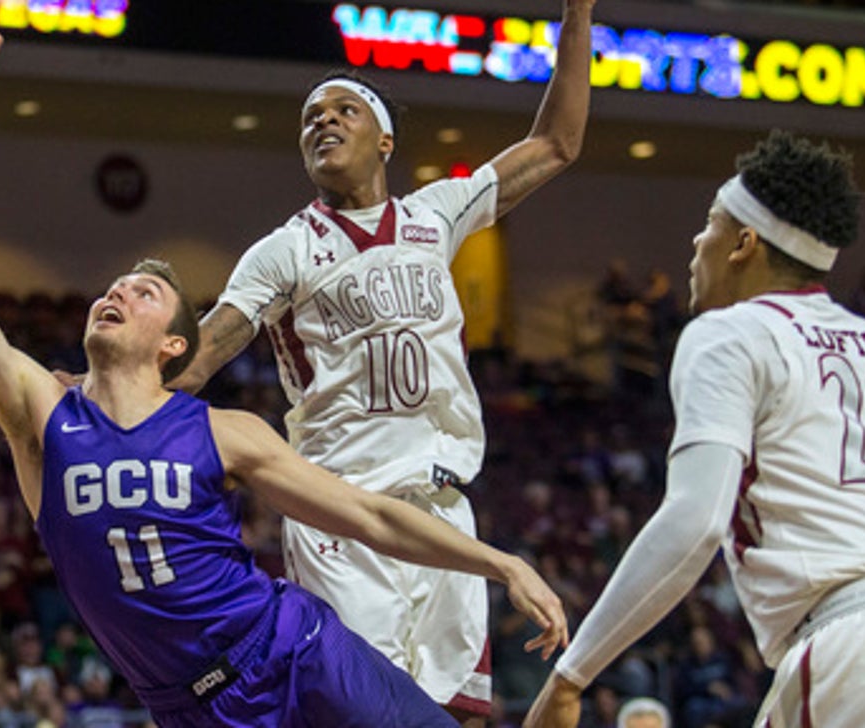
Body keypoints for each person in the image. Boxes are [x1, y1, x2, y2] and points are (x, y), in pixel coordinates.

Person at [0, 30, 567, 728]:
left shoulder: (221, 432)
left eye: (143, 293)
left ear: (173, 346)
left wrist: (503, 565)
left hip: (293, 653)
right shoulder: (44, 415)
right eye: (114, 288)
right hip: (189, 706)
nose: (119, 293)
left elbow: (368, 515)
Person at [170, 2, 595, 722]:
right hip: (344, 512)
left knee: (459, 715)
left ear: (385, 138)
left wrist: (577, 17)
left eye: (343, 110)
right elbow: (206, 351)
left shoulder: (438, 214)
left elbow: (556, 143)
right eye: (310, 117)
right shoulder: (288, 249)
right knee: (366, 715)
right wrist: (98, 398)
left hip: (442, 510)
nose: (323, 122)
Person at [523, 131, 865, 728]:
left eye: (709, 223)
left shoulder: (729, 333)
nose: (695, 239)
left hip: (861, 642)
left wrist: (572, 673)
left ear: (743, 243)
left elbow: (696, 520)